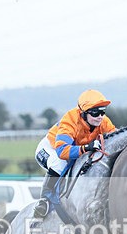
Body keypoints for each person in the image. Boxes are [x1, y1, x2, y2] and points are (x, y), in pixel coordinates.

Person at [33, 89, 116, 218]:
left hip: (74, 149)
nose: (100, 116)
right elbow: (62, 151)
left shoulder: (104, 122)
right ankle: (44, 201)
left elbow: (116, 139)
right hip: (51, 149)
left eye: (102, 112)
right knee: (59, 164)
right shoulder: (70, 121)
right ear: (83, 113)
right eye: (95, 113)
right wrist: (85, 148)